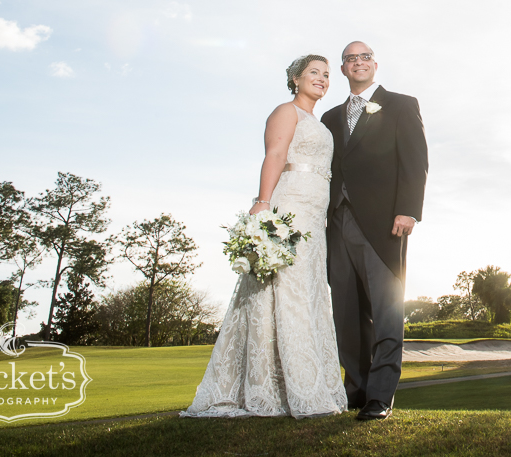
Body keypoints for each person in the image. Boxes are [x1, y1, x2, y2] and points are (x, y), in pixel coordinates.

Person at [182, 55, 348, 419]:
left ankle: (298, 384)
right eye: (313, 73)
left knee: (308, 292)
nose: (321, 79)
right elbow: (274, 155)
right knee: (284, 293)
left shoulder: (318, 122)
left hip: (315, 215)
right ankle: (288, 389)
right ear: (295, 78)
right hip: (290, 208)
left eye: (325, 75)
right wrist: (262, 202)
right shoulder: (285, 112)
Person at [322, 41, 427, 421]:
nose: (358, 62)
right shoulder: (329, 118)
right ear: (344, 69)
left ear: (374, 64)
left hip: (385, 223)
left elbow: (416, 162)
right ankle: (356, 390)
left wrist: (407, 211)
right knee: (347, 313)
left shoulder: (401, 104)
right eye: (351, 59)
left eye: (364, 56)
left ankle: (381, 396)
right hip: (337, 223)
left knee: (385, 311)